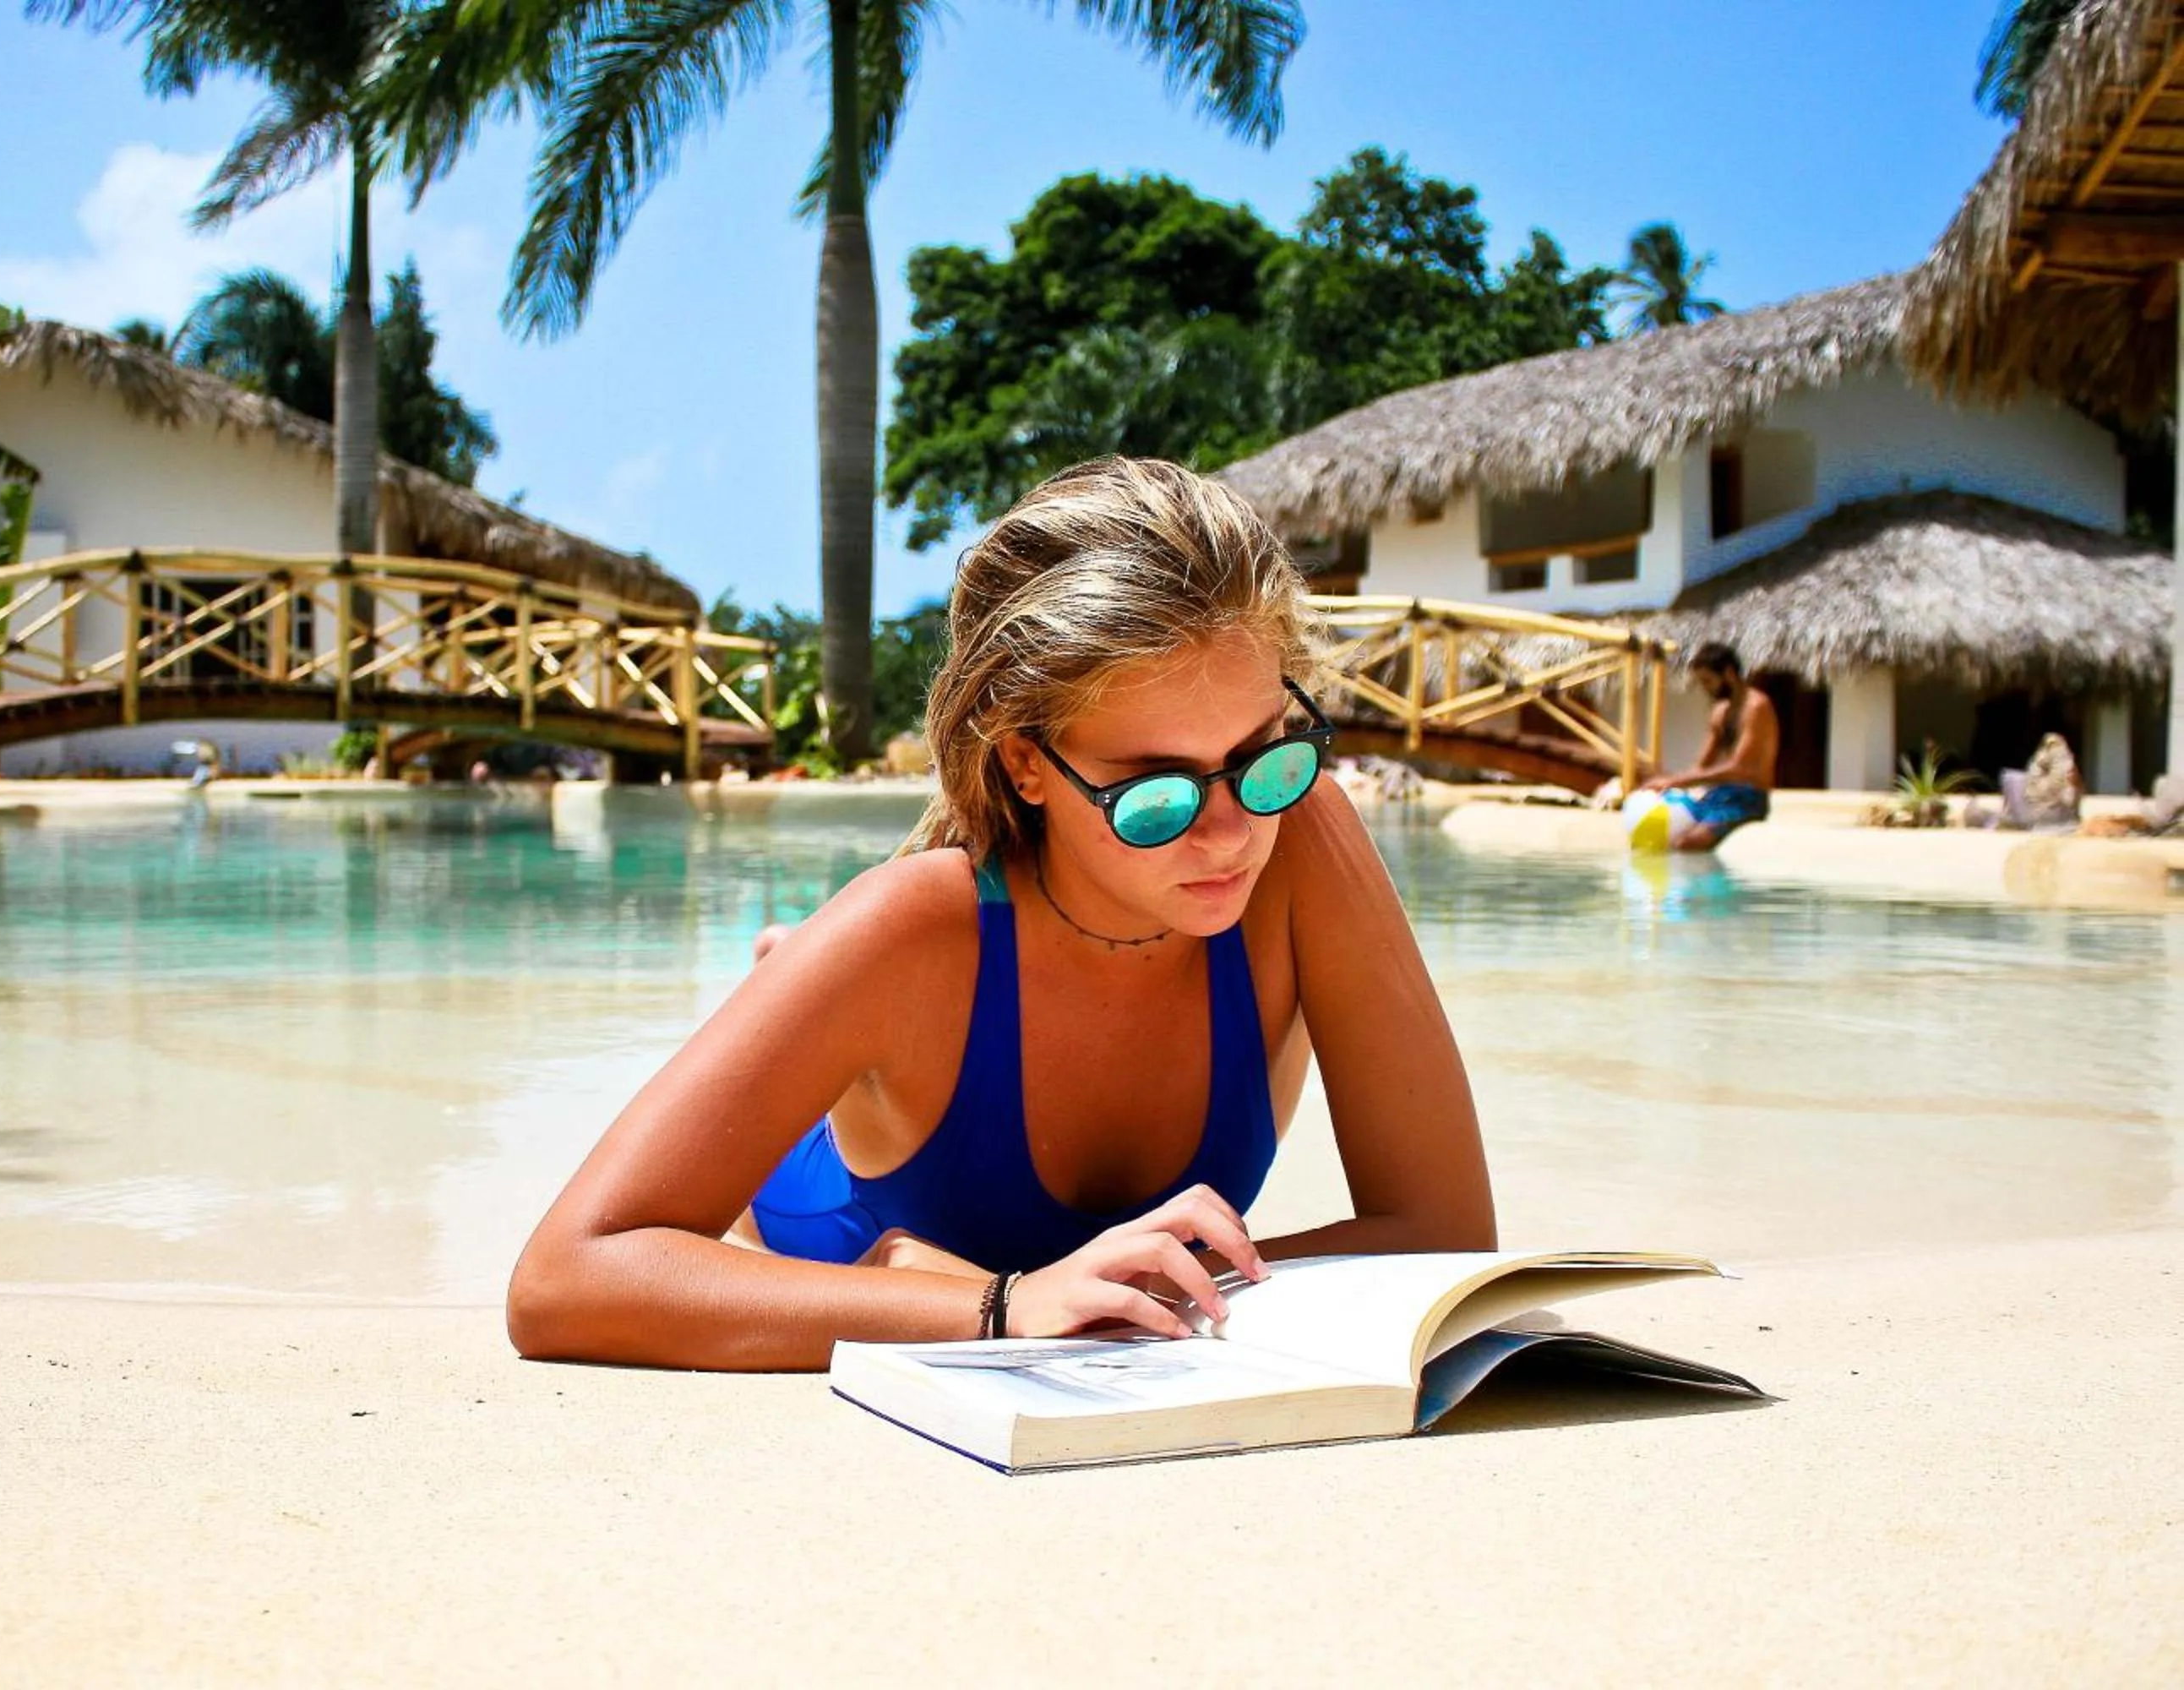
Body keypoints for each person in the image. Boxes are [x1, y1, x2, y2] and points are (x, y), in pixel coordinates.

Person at [507, 458, 1495, 1371]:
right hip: (838, 1211)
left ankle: (799, 968)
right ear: (1026, 761)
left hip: (951, 1144)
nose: (1233, 834)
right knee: (844, 960)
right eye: (1156, 797)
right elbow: (565, 1279)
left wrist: (1144, 1292)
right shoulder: (916, 925)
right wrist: (997, 1307)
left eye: (1265, 756)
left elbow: (1444, 1230)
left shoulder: (1304, 835)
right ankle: (794, 967)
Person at [1642, 643, 1778, 852]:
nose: (1705, 688)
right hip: (1719, 794)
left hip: (1748, 799)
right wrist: (1665, 785)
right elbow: (1701, 766)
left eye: (1707, 681)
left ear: (1729, 674)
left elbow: (1739, 768)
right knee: (1658, 836)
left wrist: (1675, 780)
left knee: (1687, 844)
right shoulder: (1720, 711)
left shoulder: (1756, 706)